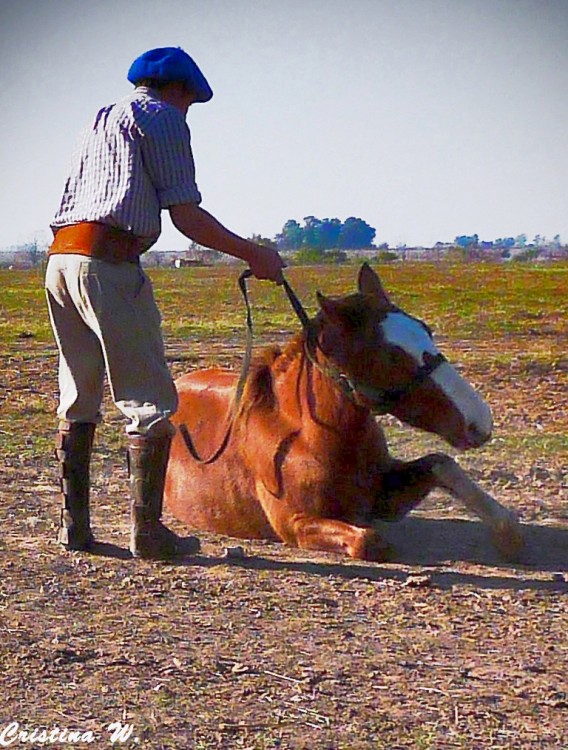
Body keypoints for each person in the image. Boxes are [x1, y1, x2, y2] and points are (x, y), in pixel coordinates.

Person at [45, 46, 286, 560]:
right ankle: (149, 534)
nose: (189, 111)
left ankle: (74, 530)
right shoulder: (162, 119)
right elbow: (186, 215)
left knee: (79, 395)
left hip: (61, 261)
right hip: (109, 265)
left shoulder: (102, 117)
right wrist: (253, 254)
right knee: (149, 402)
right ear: (180, 90)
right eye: (191, 102)